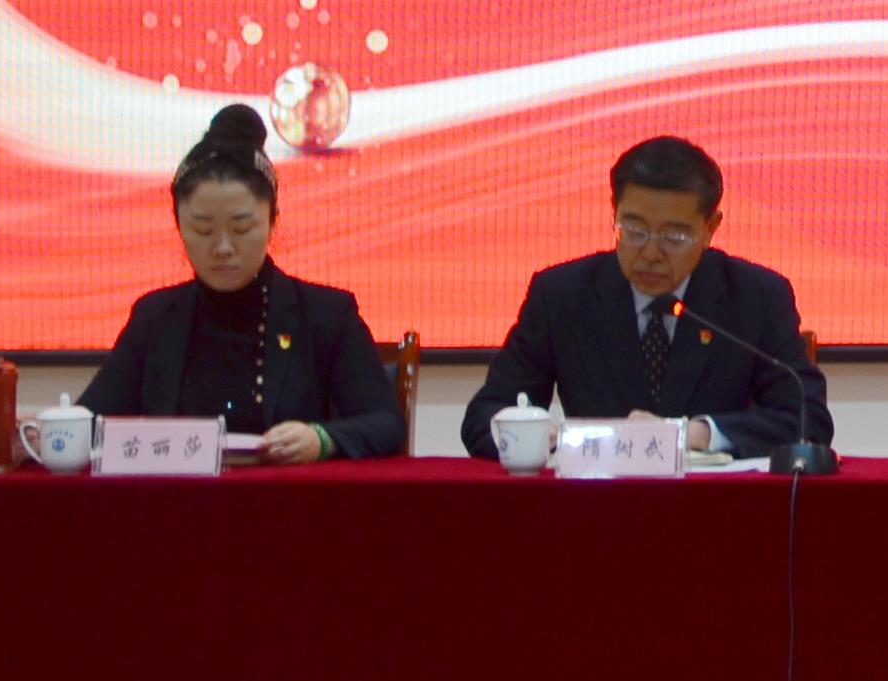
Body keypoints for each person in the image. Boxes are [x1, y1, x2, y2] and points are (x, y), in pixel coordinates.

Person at [459, 135, 831, 461]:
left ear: (710, 228)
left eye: (673, 237)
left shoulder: (755, 297)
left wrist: (697, 434)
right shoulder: (561, 295)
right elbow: (483, 417)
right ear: (614, 213)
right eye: (634, 230)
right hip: (594, 505)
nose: (650, 253)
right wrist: (538, 436)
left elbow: (808, 420)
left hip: (713, 507)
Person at [77, 105, 403, 462]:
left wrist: (321, 438)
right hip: (177, 496)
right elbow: (91, 420)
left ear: (273, 221)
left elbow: (385, 423)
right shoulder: (154, 317)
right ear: (178, 225)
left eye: (242, 228)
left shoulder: (327, 315)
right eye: (202, 229)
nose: (222, 247)